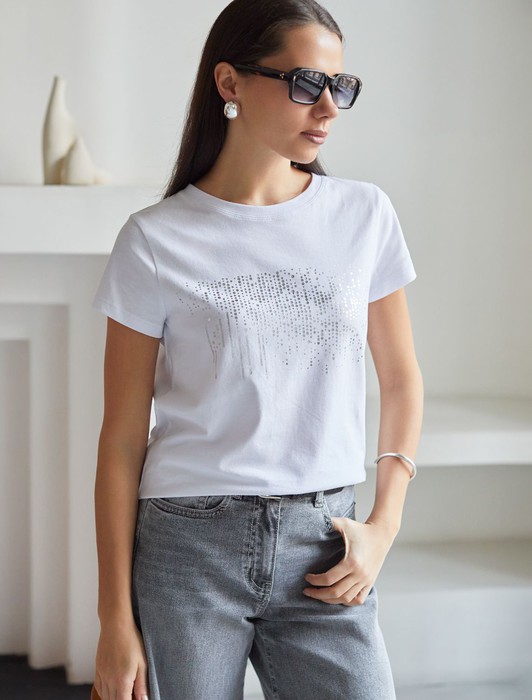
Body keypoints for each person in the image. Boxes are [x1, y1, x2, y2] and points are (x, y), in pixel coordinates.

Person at [91, 0, 424, 698]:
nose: (328, 108)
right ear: (230, 82)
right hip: (189, 550)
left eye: (341, 86)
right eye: (305, 83)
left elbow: (401, 380)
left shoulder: (362, 214)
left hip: (326, 543)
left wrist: (383, 526)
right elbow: (121, 439)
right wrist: (113, 620)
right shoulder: (153, 239)